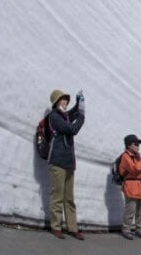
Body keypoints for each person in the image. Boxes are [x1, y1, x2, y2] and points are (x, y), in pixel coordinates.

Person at [47, 89, 86, 240]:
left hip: (69, 163)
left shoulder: (64, 116)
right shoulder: (55, 116)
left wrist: (79, 103)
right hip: (57, 161)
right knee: (58, 196)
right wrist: (81, 117)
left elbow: (73, 113)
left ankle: (72, 227)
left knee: (69, 198)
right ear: (56, 102)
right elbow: (71, 129)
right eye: (63, 100)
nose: (65, 102)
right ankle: (56, 227)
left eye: (66, 100)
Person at [119, 134, 141, 240]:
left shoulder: (137, 156)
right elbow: (134, 169)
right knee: (130, 210)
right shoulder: (125, 156)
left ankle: (140, 230)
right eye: (136, 144)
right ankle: (126, 229)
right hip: (131, 185)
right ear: (129, 145)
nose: (138, 146)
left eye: (138, 144)